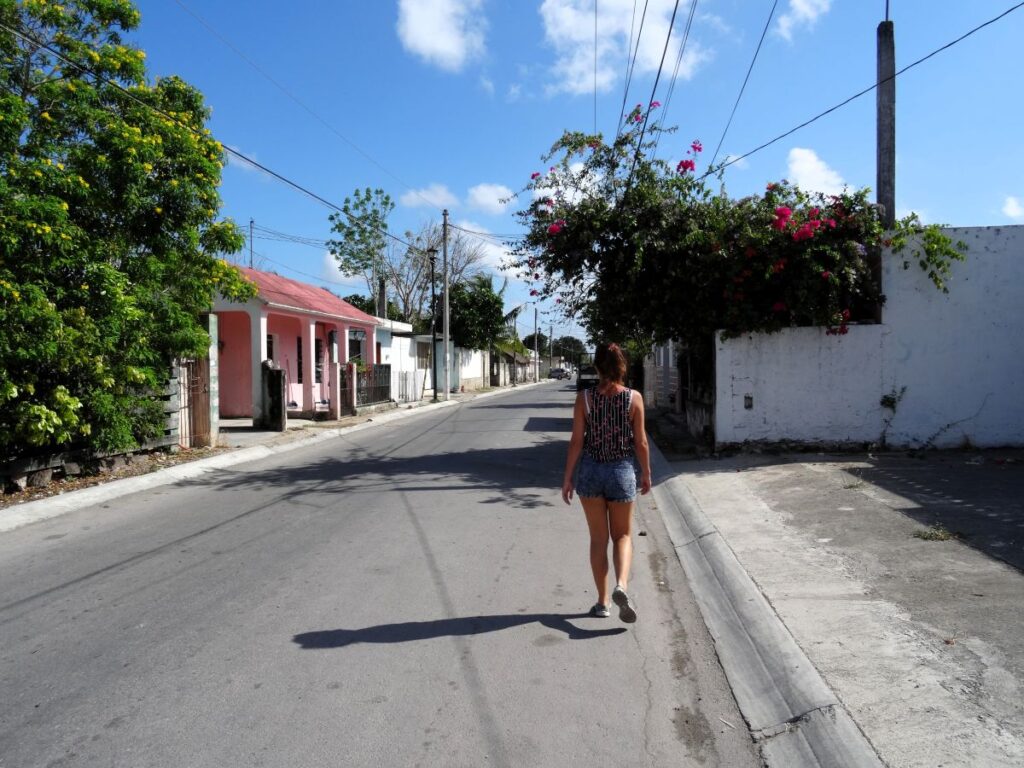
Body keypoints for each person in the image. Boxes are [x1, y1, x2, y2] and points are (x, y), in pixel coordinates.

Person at [561, 342, 652, 623]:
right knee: (623, 536)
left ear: (597, 366)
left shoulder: (584, 399)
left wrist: (567, 478)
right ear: (622, 365)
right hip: (622, 472)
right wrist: (647, 473)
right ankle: (621, 586)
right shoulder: (633, 398)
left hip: (590, 472)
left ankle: (602, 603)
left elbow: (577, 441)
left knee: (598, 539)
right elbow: (641, 442)